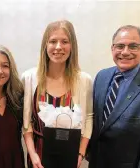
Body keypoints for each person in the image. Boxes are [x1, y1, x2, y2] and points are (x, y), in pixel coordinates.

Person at [22, 20, 93, 168]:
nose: (58, 47)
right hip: (38, 156)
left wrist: (80, 154)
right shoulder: (29, 78)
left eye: (65, 41)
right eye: (53, 41)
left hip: (70, 155)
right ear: (45, 46)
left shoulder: (84, 80)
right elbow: (26, 122)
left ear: (72, 45)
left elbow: (88, 117)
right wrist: (32, 154)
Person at [88, 25, 140, 168]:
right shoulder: (101, 76)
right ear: (112, 49)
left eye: (133, 46)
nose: (125, 52)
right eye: (120, 46)